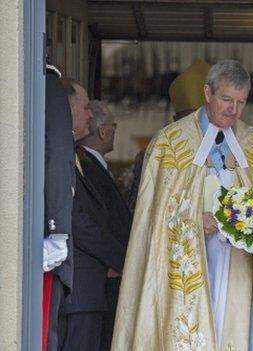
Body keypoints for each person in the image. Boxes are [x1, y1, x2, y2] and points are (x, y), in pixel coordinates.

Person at [112, 59, 253, 350]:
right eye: (226, 99)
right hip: (190, 264)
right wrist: (194, 220)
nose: (233, 109)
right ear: (208, 93)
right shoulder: (170, 143)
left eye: (241, 102)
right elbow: (153, 217)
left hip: (243, 267)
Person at [57, 78, 127, 351]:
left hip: (90, 290)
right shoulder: (60, 154)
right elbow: (81, 222)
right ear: (68, 109)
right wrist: (124, 259)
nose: (90, 113)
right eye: (85, 107)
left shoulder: (73, 154)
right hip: (80, 292)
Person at [77, 100, 131, 350]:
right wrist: (123, 261)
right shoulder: (85, 164)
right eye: (113, 125)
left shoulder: (93, 164)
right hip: (100, 279)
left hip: (104, 281)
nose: (113, 130)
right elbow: (90, 224)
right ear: (102, 131)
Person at [127, 59, 211, 213]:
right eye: (188, 121)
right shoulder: (158, 155)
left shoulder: (233, 157)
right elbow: (140, 213)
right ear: (175, 121)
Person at [42, 63, 75, 351]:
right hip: (39, 232)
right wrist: (57, 229)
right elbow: (58, 158)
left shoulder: (45, 82)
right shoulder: (49, 86)